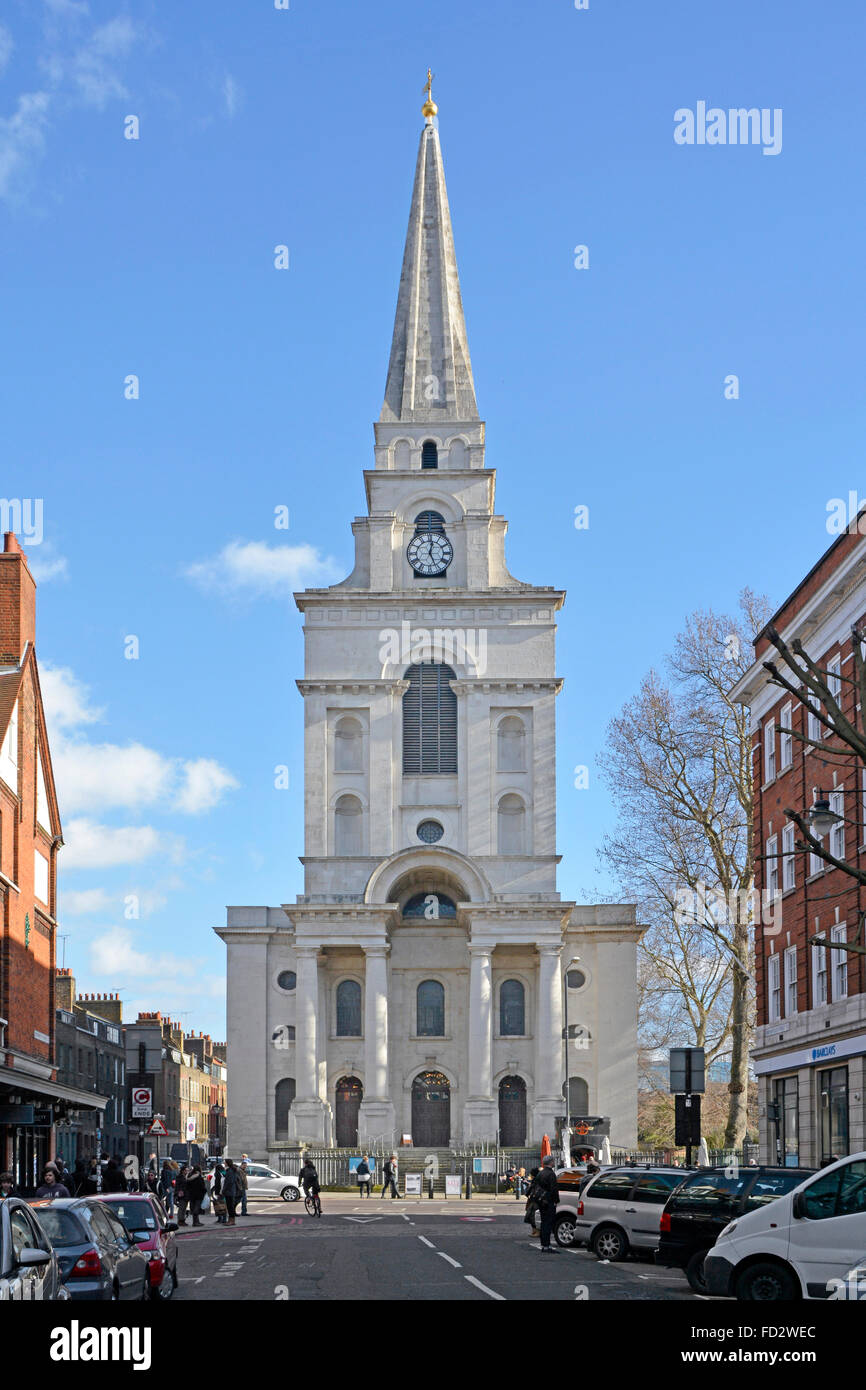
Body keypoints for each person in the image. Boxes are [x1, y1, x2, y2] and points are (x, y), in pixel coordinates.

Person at [535, 1154, 560, 1252]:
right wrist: (556, 1201)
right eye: (553, 1161)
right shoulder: (551, 1174)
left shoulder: (541, 1173)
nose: (554, 1163)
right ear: (551, 1162)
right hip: (549, 1201)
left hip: (541, 1201)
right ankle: (547, 1245)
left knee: (544, 1222)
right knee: (548, 1223)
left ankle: (544, 1244)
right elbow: (554, 1189)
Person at [222, 1159, 242, 1225]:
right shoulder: (232, 1170)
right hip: (231, 1190)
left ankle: (231, 1220)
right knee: (231, 1206)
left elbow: (228, 1182)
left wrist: (224, 1190)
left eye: (225, 1162)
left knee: (230, 1206)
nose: (224, 1163)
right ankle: (231, 1220)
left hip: (229, 1191)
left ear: (227, 1163)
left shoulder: (230, 1171)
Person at [523, 1167, 541, 1237]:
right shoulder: (537, 1180)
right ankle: (534, 1231)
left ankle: (537, 1231)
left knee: (532, 1215)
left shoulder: (536, 1180)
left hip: (535, 1200)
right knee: (531, 1215)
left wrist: (529, 1194)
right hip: (534, 1200)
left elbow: (531, 1190)